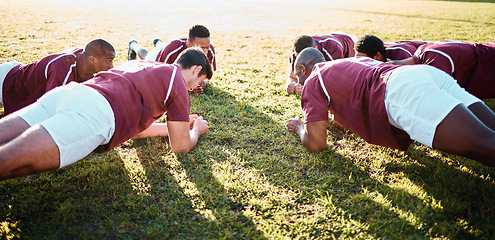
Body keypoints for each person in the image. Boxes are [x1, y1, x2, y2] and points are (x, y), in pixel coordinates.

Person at [0, 47, 213, 181]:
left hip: (71, 93)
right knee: (7, 162)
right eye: (199, 81)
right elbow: (181, 146)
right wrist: (195, 130)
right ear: (196, 70)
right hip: (95, 112)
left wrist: (170, 129)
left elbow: (137, 130)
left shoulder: (143, 65)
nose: (195, 87)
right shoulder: (177, 83)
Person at [287, 48, 495, 166]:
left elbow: (316, 143)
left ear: (303, 69)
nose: (299, 83)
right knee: (488, 137)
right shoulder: (341, 64)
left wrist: (299, 126)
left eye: (298, 77)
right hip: (424, 74)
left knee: (485, 144)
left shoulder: (313, 79)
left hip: (401, 91)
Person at [0, 39, 115, 115]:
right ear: (92, 59)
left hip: (16, 78)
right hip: (6, 80)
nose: (112, 66)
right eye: (108, 61)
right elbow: (51, 110)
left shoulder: (88, 64)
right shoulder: (62, 68)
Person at [390, 40, 495, 99]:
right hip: (484, 52)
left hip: (488, 60)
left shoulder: (434, 60)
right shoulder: (421, 52)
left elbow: (447, 97)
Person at [128, 24, 216, 94]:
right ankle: (133, 45)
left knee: (160, 46)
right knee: (146, 55)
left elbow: (208, 75)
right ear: (188, 43)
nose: (204, 52)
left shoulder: (210, 50)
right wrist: (188, 86)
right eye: (200, 47)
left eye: (207, 47)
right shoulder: (172, 49)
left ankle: (158, 42)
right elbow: (164, 78)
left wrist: (202, 82)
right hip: (159, 56)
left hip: (165, 48)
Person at [286, 33, 357, 95]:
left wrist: (308, 88)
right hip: (330, 37)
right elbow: (292, 77)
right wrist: (291, 85)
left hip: (349, 42)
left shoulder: (332, 48)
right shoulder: (296, 51)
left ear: (316, 49)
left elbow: (334, 82)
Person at [354, 34, 428, 61]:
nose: (360, 62)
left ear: (378, 56)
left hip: (429, 49)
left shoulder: (400, 56)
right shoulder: (375, 48)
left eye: (363, 60)